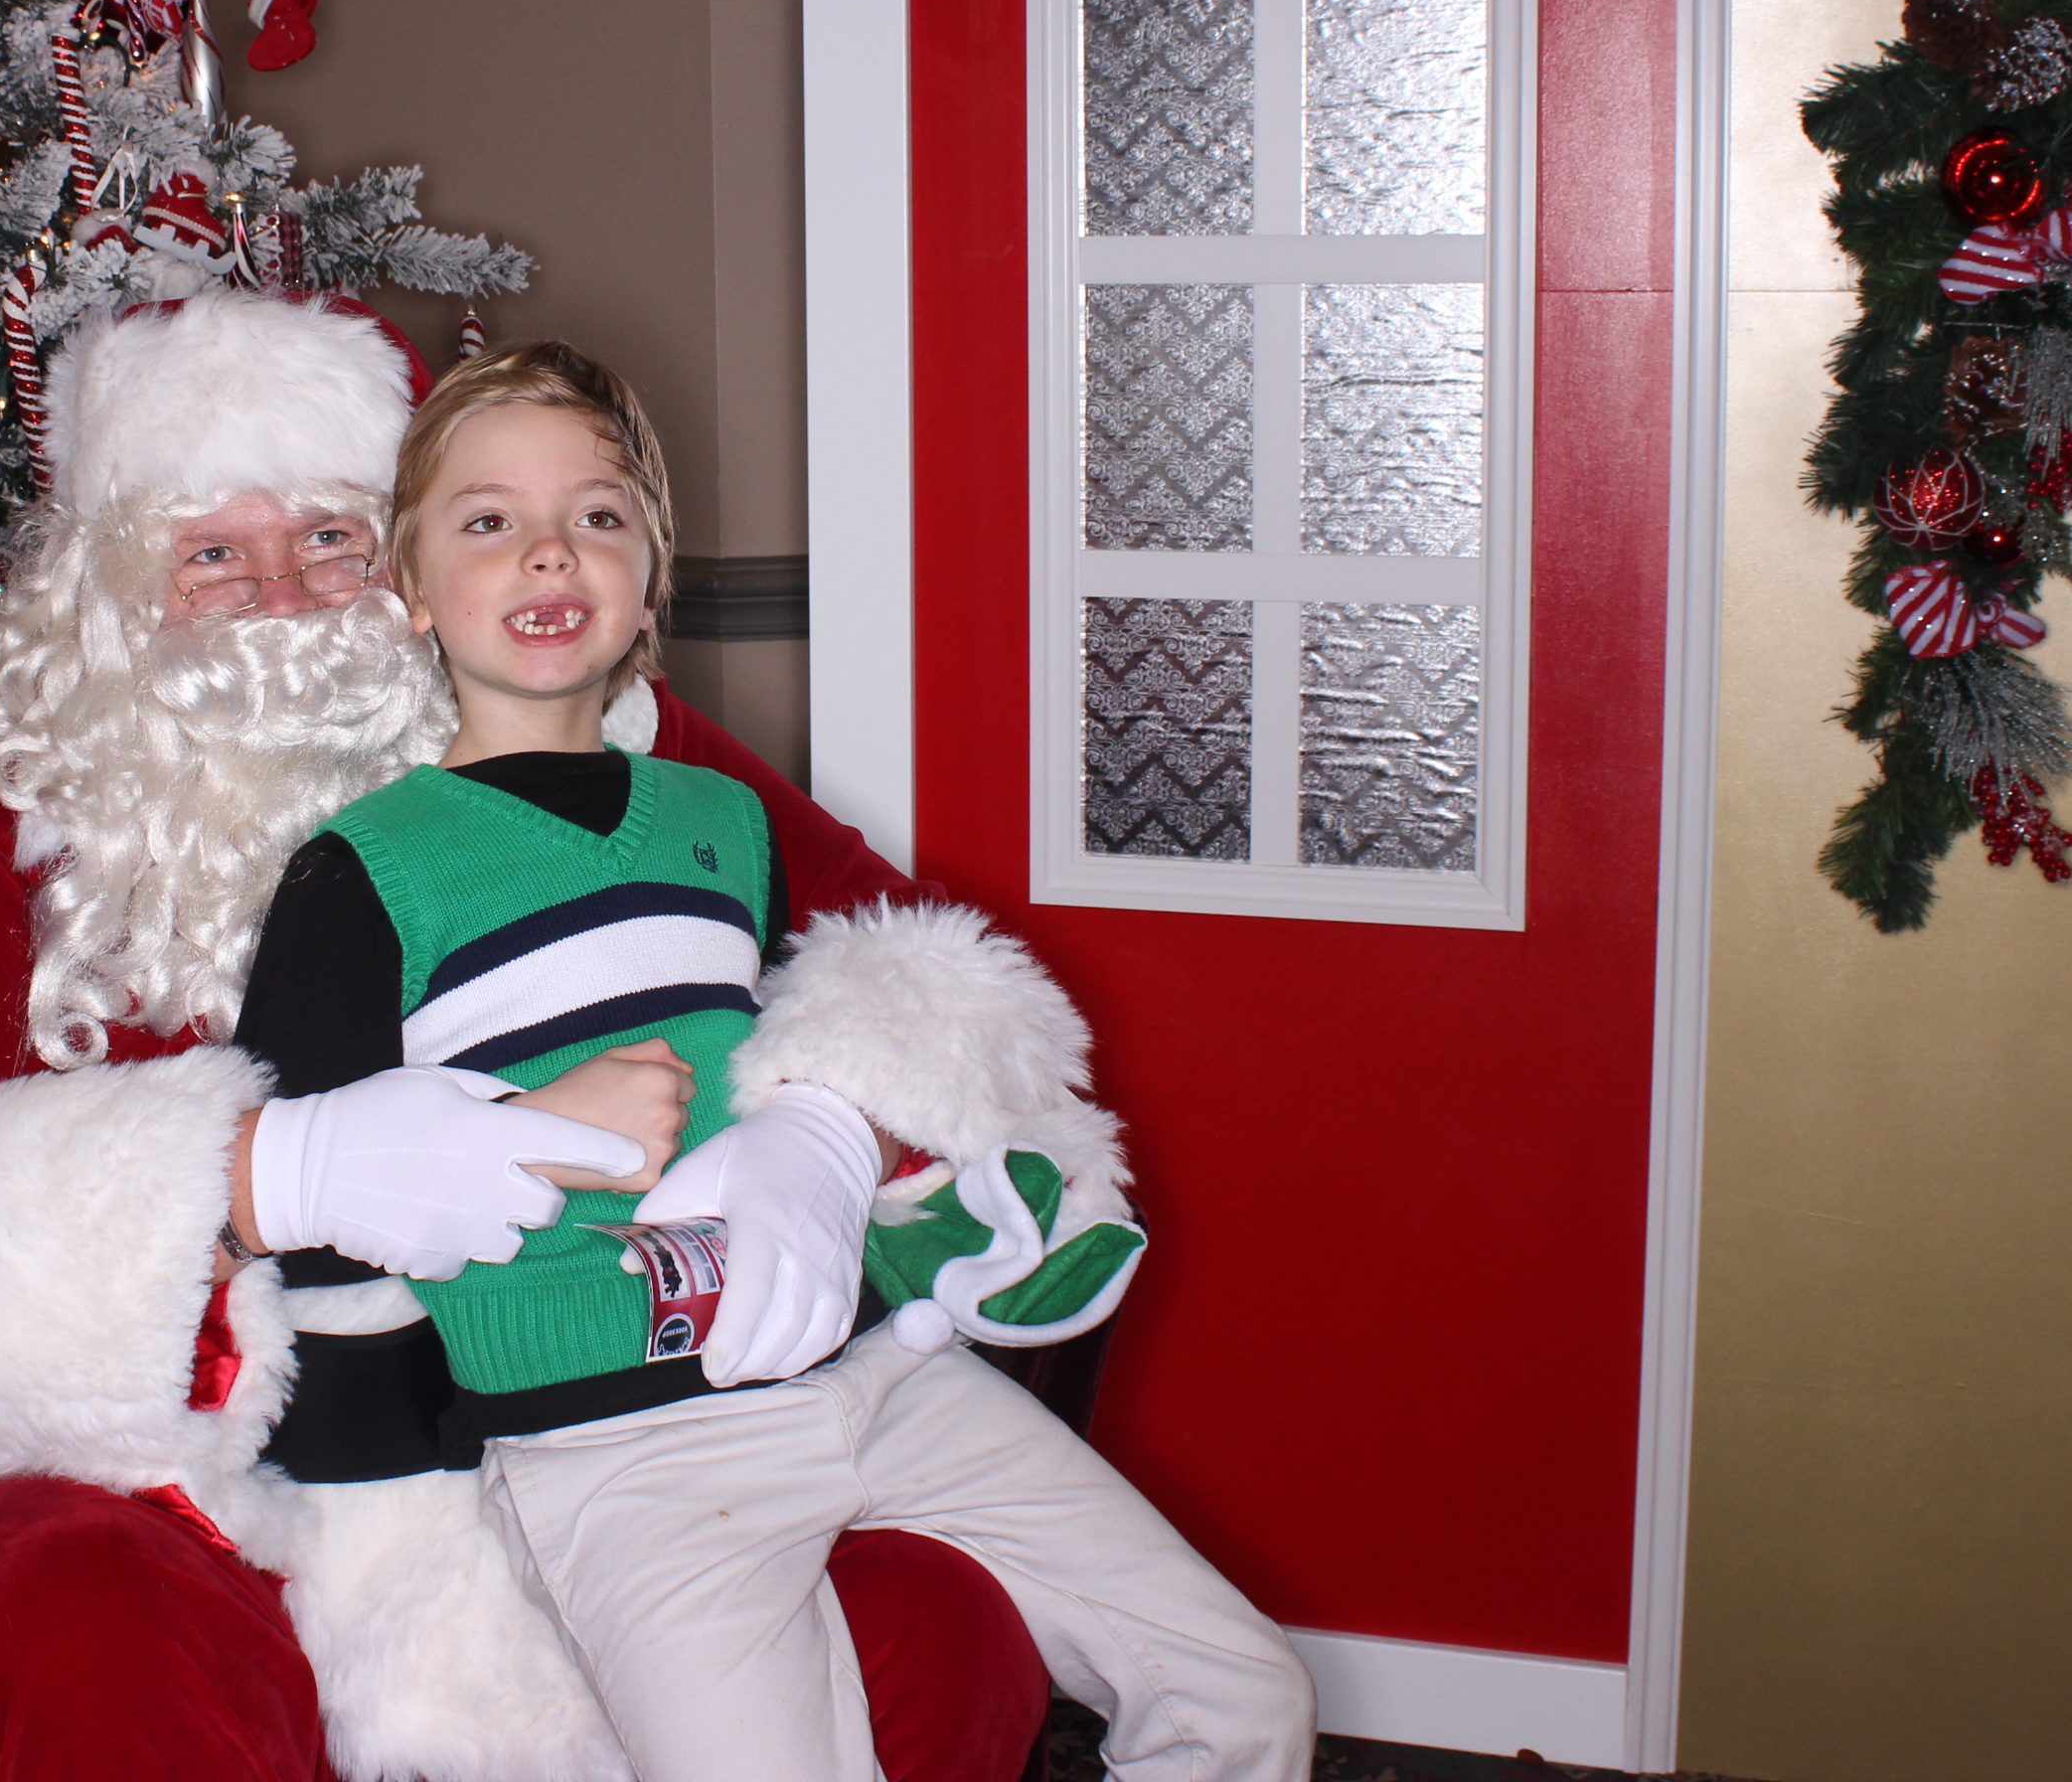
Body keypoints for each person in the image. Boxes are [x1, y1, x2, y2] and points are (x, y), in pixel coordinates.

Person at [0, 291, 1176, 1781]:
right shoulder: (10, 836)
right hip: (196, 1474)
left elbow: (924, 978)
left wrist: (830, 1131)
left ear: (415, 562)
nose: (284, 599)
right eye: (212, 555)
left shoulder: (615, 752)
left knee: (929, 1621)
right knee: (69, 1630)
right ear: (118, 598)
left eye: (330, 538)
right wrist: (267, 1180)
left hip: (617, 1412)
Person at [234, 344, 1314, 1782]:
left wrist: (830, 1134)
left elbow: (836, 1036)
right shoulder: (359, 870)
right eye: (489, 520)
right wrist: (524, 1134)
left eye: (599, 515)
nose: (551, 549)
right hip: (621, 1451)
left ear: (649, 581)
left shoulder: (724, 820)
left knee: (1241, 1690)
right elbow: (304, 1225)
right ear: (412, 589)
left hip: (876, 1373)